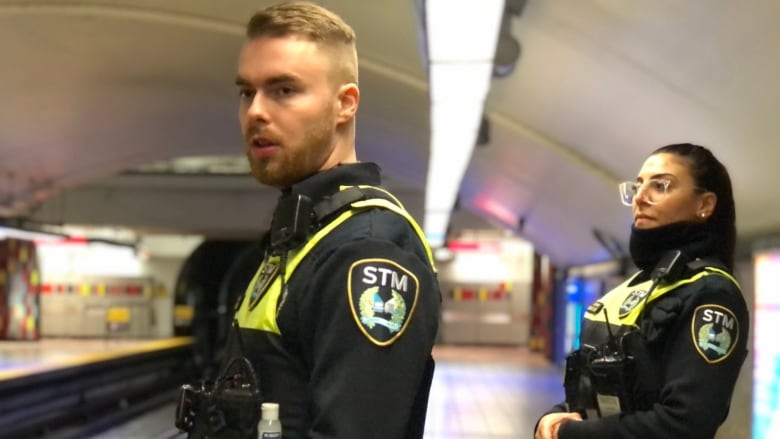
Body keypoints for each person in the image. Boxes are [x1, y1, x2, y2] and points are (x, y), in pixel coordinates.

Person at [224, 2, 441, 438]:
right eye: (247, 92)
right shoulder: (305, 237)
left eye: (283, 90)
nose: (256, 112)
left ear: (345, 104)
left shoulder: (366, 251)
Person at [535, 143, 749, 439]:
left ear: (705, 205)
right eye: (637, 186)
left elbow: (683, 424)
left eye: (660, 185)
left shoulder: (711, 294)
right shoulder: (640, 283)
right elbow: (609, 393)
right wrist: (557, 415)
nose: (640, 197)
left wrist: (572, 434)